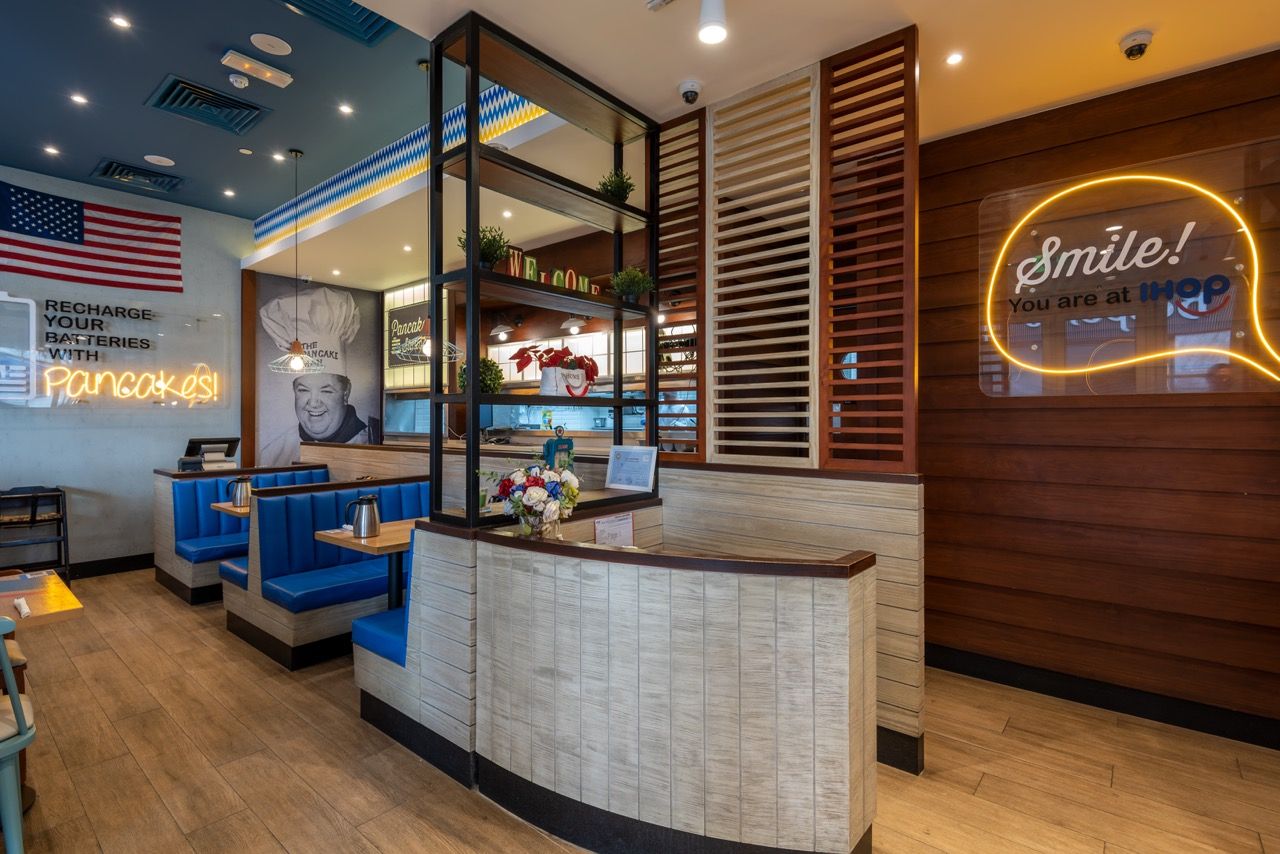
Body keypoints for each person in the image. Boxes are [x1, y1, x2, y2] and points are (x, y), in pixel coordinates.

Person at [258, 287, 379, 466]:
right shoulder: (273, 454)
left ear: (346, 392)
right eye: (303, 390)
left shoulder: (371, 448)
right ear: (294, 391)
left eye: (326, 391)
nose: (313, 403)